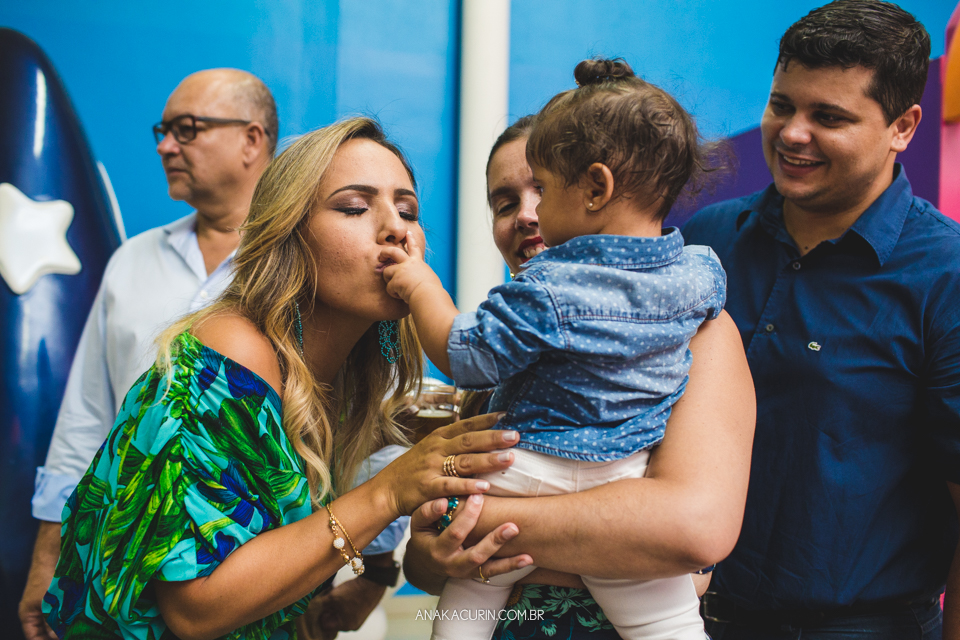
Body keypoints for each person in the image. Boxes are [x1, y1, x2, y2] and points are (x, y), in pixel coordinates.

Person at [39, 117, 517, 639]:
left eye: (407, 211)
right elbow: (195, 608)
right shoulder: (233, 353)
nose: (397, 229)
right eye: (354, 207)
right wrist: (388, 493)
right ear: (289, 236)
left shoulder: (343, 377)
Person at [383, 59, 725, 640]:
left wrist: (420, 286)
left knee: (464, 613)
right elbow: (427, 562)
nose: (530, 215)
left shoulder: (548, 290)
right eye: (504, 202)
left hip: (531, 486)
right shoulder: (700, 275)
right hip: (620, 477)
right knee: (670, 624)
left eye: (541, 188)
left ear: (596, 188)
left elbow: (692, 535)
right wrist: (431, 552)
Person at [681, 2, 960, 638]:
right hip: (684, 618)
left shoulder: (946, 276)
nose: (792, 133)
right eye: (782, 105)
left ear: (904, 126)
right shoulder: (708, 241)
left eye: (828, 117)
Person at [18, 67, 277, 640]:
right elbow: (85, 418)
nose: (165, 145)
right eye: (163, 130)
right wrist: (47, 560)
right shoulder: (131, 261)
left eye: (187, 129)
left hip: (264, 577)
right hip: (117, 575)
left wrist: (366, 570)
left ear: (251, 140)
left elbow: (354, 417)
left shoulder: (300, 269)